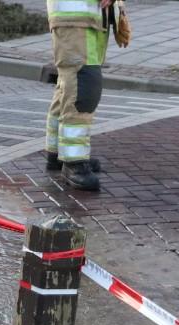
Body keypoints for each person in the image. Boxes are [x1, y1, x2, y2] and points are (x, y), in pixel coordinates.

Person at [44, 0, 129, 192]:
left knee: (70, 85)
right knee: (82, 85)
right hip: (76, 19)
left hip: (91, 18)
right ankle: (73, 162)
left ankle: (59, 153)